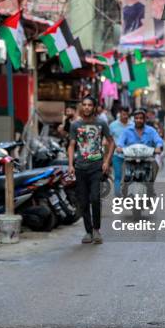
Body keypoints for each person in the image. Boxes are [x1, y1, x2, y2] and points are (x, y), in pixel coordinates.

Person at [68, 95, 114, 244]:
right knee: (83, 200)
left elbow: (111, 143)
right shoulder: (75, 125)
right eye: (84, 105)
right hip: (80, 167)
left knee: (95, 198)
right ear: (82, 106)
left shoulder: (101, 123)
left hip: (96, 167)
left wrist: (106, 161)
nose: (87, 107)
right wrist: (70, 165)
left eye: (90, 105)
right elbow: (71, 145)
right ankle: (88, 232)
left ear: (94, 108)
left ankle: (96, 230)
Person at [109, 107, 134, 196]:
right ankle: (117, 195)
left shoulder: (133, 125)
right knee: (118, 176)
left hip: (130, 155)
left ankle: (126, 192)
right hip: (117, 155)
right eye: (123, 114)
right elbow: (110, 140)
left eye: (127, 115)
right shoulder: (113, 125)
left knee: (129, 176)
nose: (125, 116)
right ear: (119, 114)